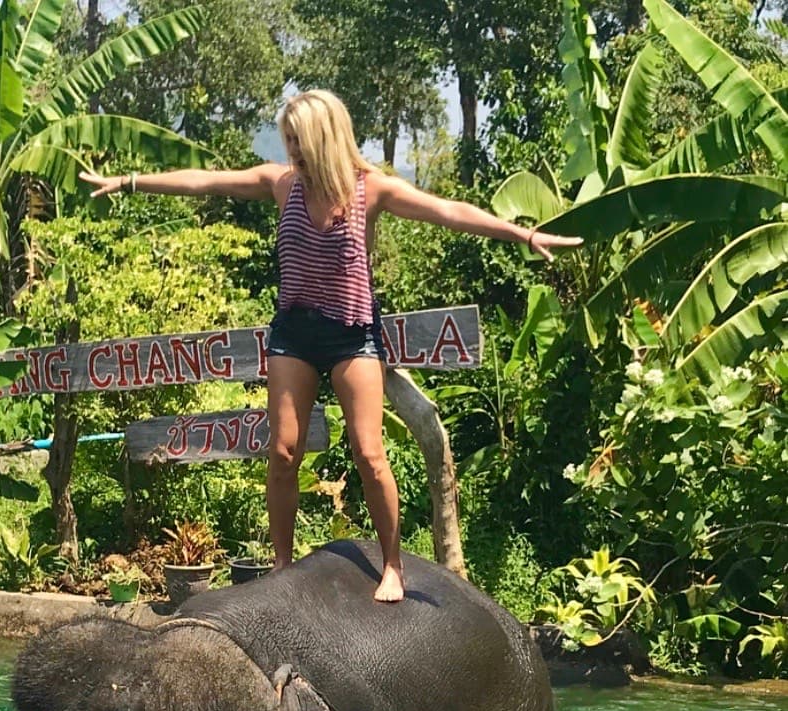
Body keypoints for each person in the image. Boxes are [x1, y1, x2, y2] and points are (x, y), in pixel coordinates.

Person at [81, 89, 582, 602]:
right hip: (294, 334)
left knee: (369, 453)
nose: (292, 150)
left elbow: (448, 211)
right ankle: (281, 568)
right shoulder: (281, 185)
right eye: (288, 140)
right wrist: (129, 181)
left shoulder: (372, 189)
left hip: (351, 336)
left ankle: (392, 567)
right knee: (282, 450)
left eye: (299, 140)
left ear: (324, 137)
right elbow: (206, 180)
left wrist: (521, 235)